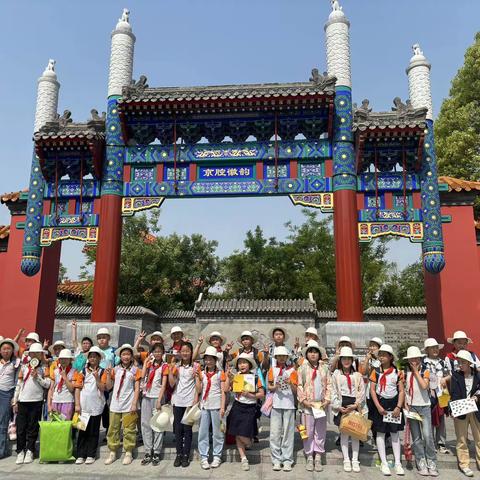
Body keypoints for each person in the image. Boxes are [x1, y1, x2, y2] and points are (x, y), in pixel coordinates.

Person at [369, 344, 405, 476]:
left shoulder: (398, 373)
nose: (382, 357)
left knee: (395, 433)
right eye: (380, 355)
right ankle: (384, 462)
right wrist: (378, 406)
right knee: (380, 433)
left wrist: (398, 407)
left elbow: (401, 391)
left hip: (394, 403)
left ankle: (397, 463)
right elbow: (372, 390)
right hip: (380, 403)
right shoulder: (376, 372)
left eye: (384, 355)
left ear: (390, 357)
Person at [12, 342, 51, 464]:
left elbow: (48, 384)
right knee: (20, 428)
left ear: (41, 354)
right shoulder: (24, 367)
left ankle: (30, 450)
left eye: (37, 353)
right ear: (30, 354)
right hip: (23, 401)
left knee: (33, 428)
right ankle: (20, 451)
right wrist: (15, 400)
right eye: (32, 353)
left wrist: (38, 377)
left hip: (37, 401)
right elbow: (19, 384)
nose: (35, 355)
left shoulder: (44, 367)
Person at [226, 352, 265, 471]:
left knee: (243, 435)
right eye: (240, 363)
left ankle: (250, 442)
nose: (242, 365)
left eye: (244, 363)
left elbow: (262, 394)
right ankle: (243, 458)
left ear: (249, 364)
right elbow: (228, 389)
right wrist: (229, 378)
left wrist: (250, 395)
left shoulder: (255, 377)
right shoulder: (236, 376)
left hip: (250, 408)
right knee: (237, 433)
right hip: (237, 406)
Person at [297, 340, 331, 472]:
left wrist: (326, 401)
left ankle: (318, 456)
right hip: (307, 406)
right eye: (310, 352)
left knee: (320, 432)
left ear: (319, 354)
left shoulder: (324, 368)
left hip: (321, 406)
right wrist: (304, 401)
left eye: (315, 352)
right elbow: (299, 385)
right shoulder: (302, 369)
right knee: (307, 432)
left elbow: (329, 385)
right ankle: (309, 456)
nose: (313, 354)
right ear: (307, 354)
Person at [104, 344, 141, 466]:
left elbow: (137, 389)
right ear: (120, 356)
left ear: (131, 356)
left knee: (129, 429)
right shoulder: (115, 369)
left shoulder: (135, 370)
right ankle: (113, 452)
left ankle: (128, 452)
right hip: (115, 404)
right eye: (124, 354)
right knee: (113, 428)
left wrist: (134, 403)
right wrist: (108, 375)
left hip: (129, 404)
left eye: (128, 354)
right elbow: (108, 387)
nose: (126, 356)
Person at [404, 346, 438, 476]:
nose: (414, 361)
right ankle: (420, 461)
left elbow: (424, 386)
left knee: (428, 436)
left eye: (417, 358)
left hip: (424, 406)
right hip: (412, 407)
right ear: (408, 360)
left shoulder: (426, 370)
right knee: (417, 437)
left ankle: (432, 461)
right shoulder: (404, 372)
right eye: (412, 359)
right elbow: (405, 389)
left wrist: (416, 371)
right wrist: (405, 405)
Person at [331, 346, 365, 473]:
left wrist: (356, 404)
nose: (346, 361)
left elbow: (362, 391)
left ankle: (355, 460)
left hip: (354, 404)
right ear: (340, 360)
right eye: (344, 358)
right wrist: (337, 406)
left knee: (355, 434)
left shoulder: (357, 375)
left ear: (352, 360)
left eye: (348, 359)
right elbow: (333, 391)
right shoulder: (336, 374)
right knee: (344, 433)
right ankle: (346, 459)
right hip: (342, 404)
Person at [73, 346, 107, 465]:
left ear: (99, 358)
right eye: (91, 356)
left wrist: (97, 377)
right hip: (83, 406)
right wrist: (77, 405)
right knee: (82, 431)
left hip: (96, 406)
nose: (92, 358)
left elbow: (103, 388)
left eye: (95, 356)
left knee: (93, 432)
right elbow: (77, 388)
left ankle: (91, 455)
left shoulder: (103, 371)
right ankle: (80, 454)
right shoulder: (82, 371)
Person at [449, 350, 480, 477]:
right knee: (461, 438)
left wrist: (477, 396)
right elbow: (454, 394)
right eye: (459, 362)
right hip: (461, 409)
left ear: (469, 363)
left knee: (478, 437)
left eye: (463, 362)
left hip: (475, 409)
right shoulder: (456, 376)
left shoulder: (478, 375)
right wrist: (453, 409)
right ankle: (464, 464)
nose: (460, 365)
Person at [267, 346, 298, 471]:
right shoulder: (272, 370)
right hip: (276, 404)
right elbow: (269, 387)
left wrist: (290, 383)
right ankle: (276, 459)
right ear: (276, 357)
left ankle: (287, 459)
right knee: (275, 433)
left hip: (289, 404)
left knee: (288, 433)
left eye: (283, 356)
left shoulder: (292, 371)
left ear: (287, 357)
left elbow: (296, 391)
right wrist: (275, 386)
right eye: (279, 356)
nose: (281, 358)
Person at [196, 345, 226, 469]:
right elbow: (198, 390)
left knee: (217, 432)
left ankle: (217, 455)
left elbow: (224, 391)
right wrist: (197, 377)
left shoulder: (220, 374)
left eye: (211, 359)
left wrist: (223, 407)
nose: (208, 361)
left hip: (216, 405)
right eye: (206, 359)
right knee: (203, 432)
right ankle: (204, 456)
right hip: (204, 405)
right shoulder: (202, 373)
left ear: (216, 360)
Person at [169, 341, 199, 468]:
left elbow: (198, 387)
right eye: (183, 351)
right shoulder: (176, 366)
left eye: (187, 351)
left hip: (189, 402)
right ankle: (178, 454)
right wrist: (171, 371)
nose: (185, 353)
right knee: (178, 429)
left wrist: (195, 400)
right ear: (180, 353)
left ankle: (186, 455)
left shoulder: (196, 366)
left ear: (191, 353)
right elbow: (171, 384)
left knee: (187, 430)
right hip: (177, 400)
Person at [140, 343, 169, 466]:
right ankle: (148, 451)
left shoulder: (164, 366)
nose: (157, 353)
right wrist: (146, 365)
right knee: (145, 424)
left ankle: (156, 451)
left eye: (159, 351)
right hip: (146, 396)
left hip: (157, 397)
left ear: (163, 353)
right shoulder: (149, 365)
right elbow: (142, 377)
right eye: (155, 351)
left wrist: (159, 399)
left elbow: (164, 384)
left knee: (158, 425)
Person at [422, 338, 449, 454]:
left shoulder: (442, 362)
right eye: (432, 348)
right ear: (427, 350)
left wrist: (444, 378)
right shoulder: (422, 362)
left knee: (441, 418)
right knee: (428, 418)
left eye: (436, 347)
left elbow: (449, 375)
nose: (435, 350)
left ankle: (441, 443)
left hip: (442, 393)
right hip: (428, 393)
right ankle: (430, 443)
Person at [360, 337, 383, 447]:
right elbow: (364, 372)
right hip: (371, 391)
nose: (372, 348)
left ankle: (384, 437)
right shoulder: (369, 360)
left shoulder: (383, 359)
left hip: (383, 391)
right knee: (372, 416)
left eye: (375, 346)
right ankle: (374, 436)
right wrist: (367, 359)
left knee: (382, 415)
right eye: (371, 345)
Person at [0, 338, 20, 459]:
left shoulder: (16, 363)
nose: (6, 351)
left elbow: (17, 380)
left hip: (6, 393)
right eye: (3, 349)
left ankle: (2, 450)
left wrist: (14, 398)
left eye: (8, 349)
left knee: (3, 422)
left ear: (12, 350)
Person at [96, 328, 118, 432]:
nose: (102, 340)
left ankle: (108, 430)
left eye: (104, 337)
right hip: (96, 380)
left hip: (109, 381)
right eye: (99, 338)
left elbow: (121, 361)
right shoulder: (94, 350)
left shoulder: (114, 351)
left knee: (107, 406)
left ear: (108, 338)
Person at [47, 348, 75, 420]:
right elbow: (51, 388)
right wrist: (49, 404)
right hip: (55, 400)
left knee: (64, 424)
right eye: (61, 359)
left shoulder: (74, 371)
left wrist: (65, 377)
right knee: (54, 424)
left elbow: (72, 389)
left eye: (66, 359)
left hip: (67, 401)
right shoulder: (56, 371)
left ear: (70, 360)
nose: (63, 360)